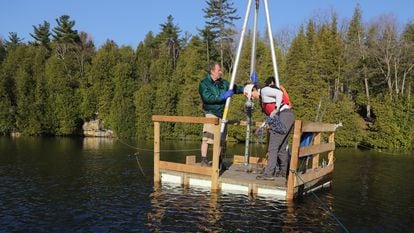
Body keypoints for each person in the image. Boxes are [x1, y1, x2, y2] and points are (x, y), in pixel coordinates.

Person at [244, 77, 295, 180]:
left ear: (254, 89)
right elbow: (270, 116)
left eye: (251, 96)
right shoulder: (263, 100)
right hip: (287, 116)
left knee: (272, 146)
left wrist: (276, 109)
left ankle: (268, 174)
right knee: (281, 148)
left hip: (283, 116)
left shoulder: (264, 90)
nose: (252, 98)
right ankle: (284, 172)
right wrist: (261, 127)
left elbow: (279, 94)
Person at [198, 62, 243, 166]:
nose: (221, 72)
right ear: (212, 71)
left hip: (222, 114)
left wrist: (246, 89)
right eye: (219, 70)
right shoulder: (204, 83)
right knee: (208, 137)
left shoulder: (223, 83)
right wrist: (223, 96)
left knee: (221, 139)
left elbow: (235, 88)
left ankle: (217, 161)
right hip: (211, 113)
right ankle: (204, 159)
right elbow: (207, 98)